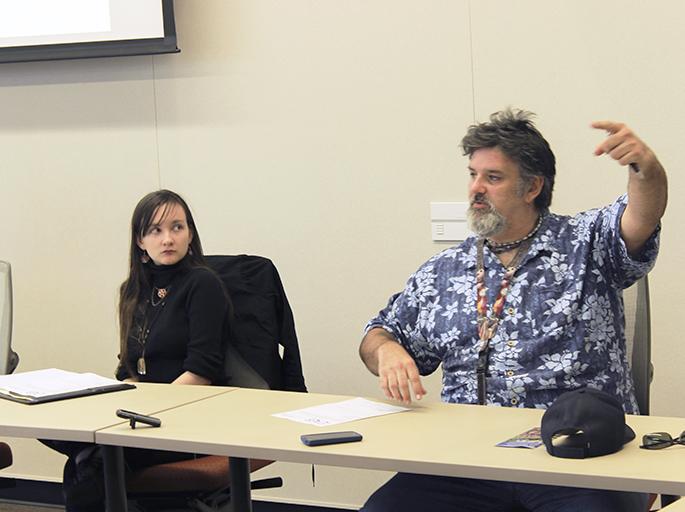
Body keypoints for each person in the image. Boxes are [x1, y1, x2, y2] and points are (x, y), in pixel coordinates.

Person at [358, 109, 668, 512]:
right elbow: (379, 332)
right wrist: (386, 350)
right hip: (466, 462)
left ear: (532, 187)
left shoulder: (587, 244)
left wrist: (644, 168)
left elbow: (644, 213)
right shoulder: (443, 271)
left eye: (493, 177)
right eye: (473, 174)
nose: (475, 189)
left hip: (574, 456)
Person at [49, 190, 264, 511]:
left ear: (190, 234)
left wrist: (148, 414)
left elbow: (201, 372)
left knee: (90, 464)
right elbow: (129, 371)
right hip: (141, 417)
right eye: (155, 230)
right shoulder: (132, 291)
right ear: (140, 240)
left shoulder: (203, 284)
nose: (167, 239)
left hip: (189, 416)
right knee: (82, 451)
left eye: (177, 227)